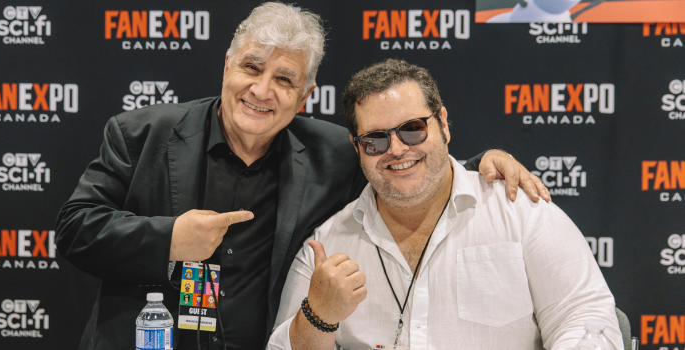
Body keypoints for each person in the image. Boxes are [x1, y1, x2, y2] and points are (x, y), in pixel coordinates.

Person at [54, 3, 548, 350]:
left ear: (305, 96)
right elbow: (76, 229)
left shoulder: (333, 152)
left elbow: (404, 172)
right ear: (227, 65)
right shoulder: (142, 134)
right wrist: (169, 238)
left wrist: (482, 162)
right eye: (252, 68)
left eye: (285, 79)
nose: (262, 90)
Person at [267, 59, 622, 350]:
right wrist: (318, 316)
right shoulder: (328, 246)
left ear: (444, 125)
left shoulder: (519, 211)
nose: (396, 149)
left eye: (412, 129)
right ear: (356, 147)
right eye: (375, 140)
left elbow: (587, 318)